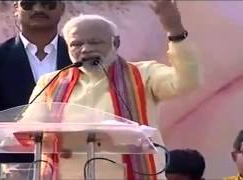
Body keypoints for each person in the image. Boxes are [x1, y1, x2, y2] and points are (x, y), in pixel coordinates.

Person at [25, 0, 202, 179]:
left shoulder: (143, 74)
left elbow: (188, 81)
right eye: (76, 44)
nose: (85, 49)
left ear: (116, 43)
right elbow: (28, 130)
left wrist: (175, 32)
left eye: (95, 42)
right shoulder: (51, 82)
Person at [0, 1, 72, 179]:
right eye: (28, 3)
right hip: (9, 172)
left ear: (62, 8)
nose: (38, 9)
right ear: (16, 9)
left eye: (48, 3)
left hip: (73, 169)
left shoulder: (82, 58)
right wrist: (6, 171)